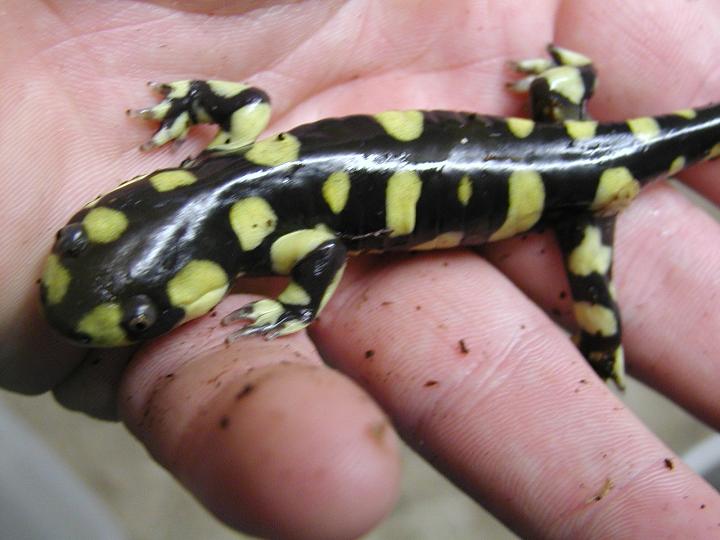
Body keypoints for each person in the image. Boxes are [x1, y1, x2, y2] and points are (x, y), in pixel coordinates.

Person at [2, 1, 719, 538]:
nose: (133, 323)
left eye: (139, 318)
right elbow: (249, 111)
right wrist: (195, 98)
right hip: (555, 144)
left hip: (577, 193)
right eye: (75, 244)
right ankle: (569, 88)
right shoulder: (234, 156)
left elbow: (319, 249)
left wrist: (298, 306)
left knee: (590, 275)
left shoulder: (263, 224)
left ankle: (603, 343)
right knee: (575, 176)